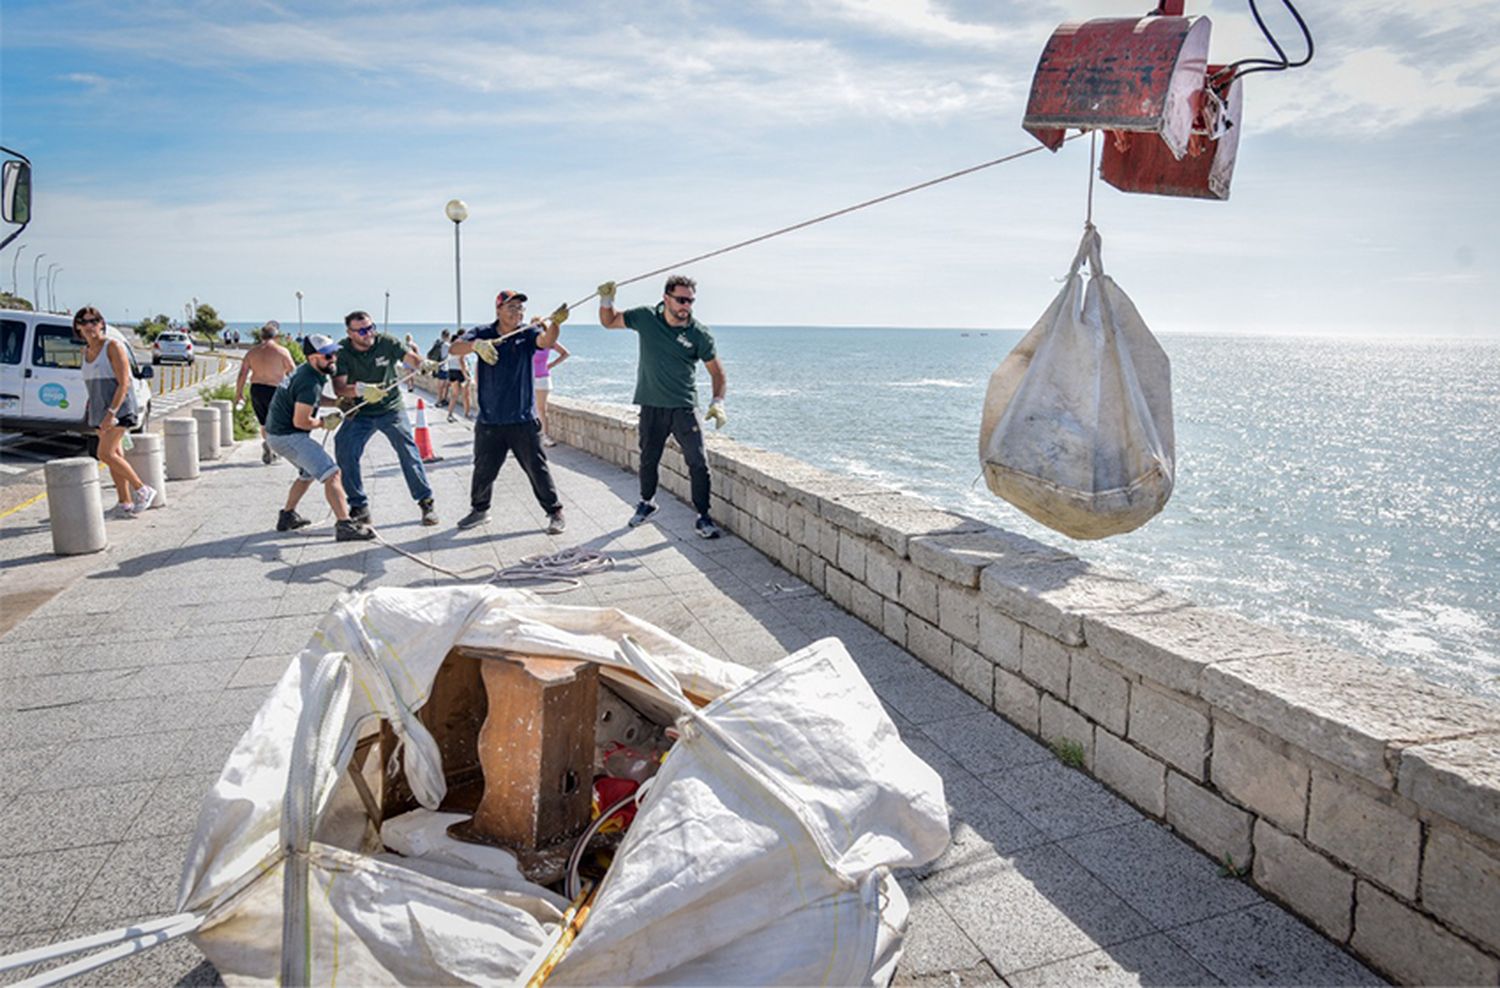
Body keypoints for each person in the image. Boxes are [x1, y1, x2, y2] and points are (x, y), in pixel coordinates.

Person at [597, 275, 726, 538]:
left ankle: (703, 516)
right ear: (666, 298)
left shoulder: (699, 334)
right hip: (651, 404)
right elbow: (609, 322)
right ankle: (647, 503)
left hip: (684, 407)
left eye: (690, 301)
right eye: (680, 300)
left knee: (698, 462)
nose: (685, 306)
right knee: (648, 458)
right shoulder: (645, 317)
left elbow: (717, 373)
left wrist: (718, 402)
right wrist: (607, 300)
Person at [450, 290, 568, 534]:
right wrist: (476, 346)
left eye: (521, 308)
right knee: (483, 468)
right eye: (512, 307)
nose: (518, 312)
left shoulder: (526, 333)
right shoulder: (483, 333)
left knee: (537, 467)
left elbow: (546, 341)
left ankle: (555, 512)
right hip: (490, 420)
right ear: (498, 310)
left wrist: (555, 324)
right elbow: (454, 349)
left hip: (522, 418)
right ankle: (479, 510)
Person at [264, 334, 375, 542]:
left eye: (334, 353)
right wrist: (325, 423)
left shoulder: (309, 373)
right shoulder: (309, 380)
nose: (333, 358)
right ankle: (345, 525)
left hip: (277, 434)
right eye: (327, 355)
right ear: (312, 357)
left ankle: (287, 516)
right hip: (287, 436)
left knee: (307, 474)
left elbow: (311, 399)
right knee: (332, 473)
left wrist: (337, 403)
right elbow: (301, 421)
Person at [332, 310, 437, 526]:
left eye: (371, 328)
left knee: (408, 451)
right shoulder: (342, 351)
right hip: (360, 412)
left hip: (391, 409)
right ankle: (359, 506)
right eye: (361, 330)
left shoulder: (386, 342)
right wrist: (361, 390)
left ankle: (426, 503)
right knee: (344, 448)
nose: (368, 333)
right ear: (349, 333)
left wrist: (423, 364)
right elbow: (339, 387)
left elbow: (411, 358)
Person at [75, 307, 156, 518]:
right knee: (115, 456)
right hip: (99, 410)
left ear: (102, 324)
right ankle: (124, 502)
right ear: (78, 327)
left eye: (94, 321)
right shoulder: (86, 352)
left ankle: (142, 489)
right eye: (84, 322)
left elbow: (124, 383)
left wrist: (111, 412)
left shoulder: (113, 346)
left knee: (105, 453)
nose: (90, 326)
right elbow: (92, 385)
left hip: (118, 409)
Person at [235, 320, 296, 464]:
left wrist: (238, 393)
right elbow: (293, 372)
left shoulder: (252, 352)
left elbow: (242, 373)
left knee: (263, 423)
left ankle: (268, 443)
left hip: (256, 389)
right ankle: (272, 446)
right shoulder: (282, 351)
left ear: (261, 337)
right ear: (276, 337)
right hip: (275, 389)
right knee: (277, 420)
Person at [533, 337, 570, 446]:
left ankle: (545, 437)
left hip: (542, 379)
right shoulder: (529, 342)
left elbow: (565, 353)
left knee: (541, 409)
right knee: (528, 408)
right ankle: (530, 437)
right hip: (528, 379)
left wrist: (550, 365)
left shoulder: (549, 342)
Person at [444, 334, 472, 423]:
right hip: (460, 372)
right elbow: (461, 361)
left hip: (452, 371)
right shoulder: (461, 348)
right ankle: (467, 414)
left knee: (454, 395)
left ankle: (450, 414)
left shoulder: (451, 349)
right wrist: (466, 376)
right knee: (466, 395)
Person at [430, 330, 452, 407]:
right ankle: (440, 401)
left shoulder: (437, 343)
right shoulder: (447, 345)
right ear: (448, 336)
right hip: (444, 367)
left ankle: (441, 400)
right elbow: (451, 354)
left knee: (441, 385)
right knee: (443, 386)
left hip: (437, 366)